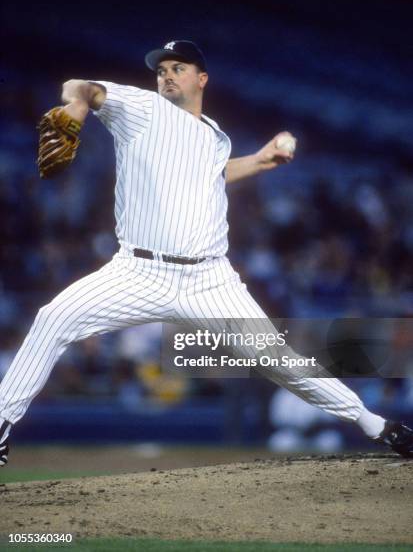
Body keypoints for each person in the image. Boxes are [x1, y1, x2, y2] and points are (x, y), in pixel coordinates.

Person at [0, 40, 412, 465]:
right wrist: (75, 110)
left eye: (178, 68)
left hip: (210, 281)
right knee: (54, 318)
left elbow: (212, 174)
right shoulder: (142, 109)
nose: (166, 76)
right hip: (137, 272)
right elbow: (79, 86)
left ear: (202, 79)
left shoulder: (214, 134)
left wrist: (261, 160)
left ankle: (377, 425)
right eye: (161, 70)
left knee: (277, 359)